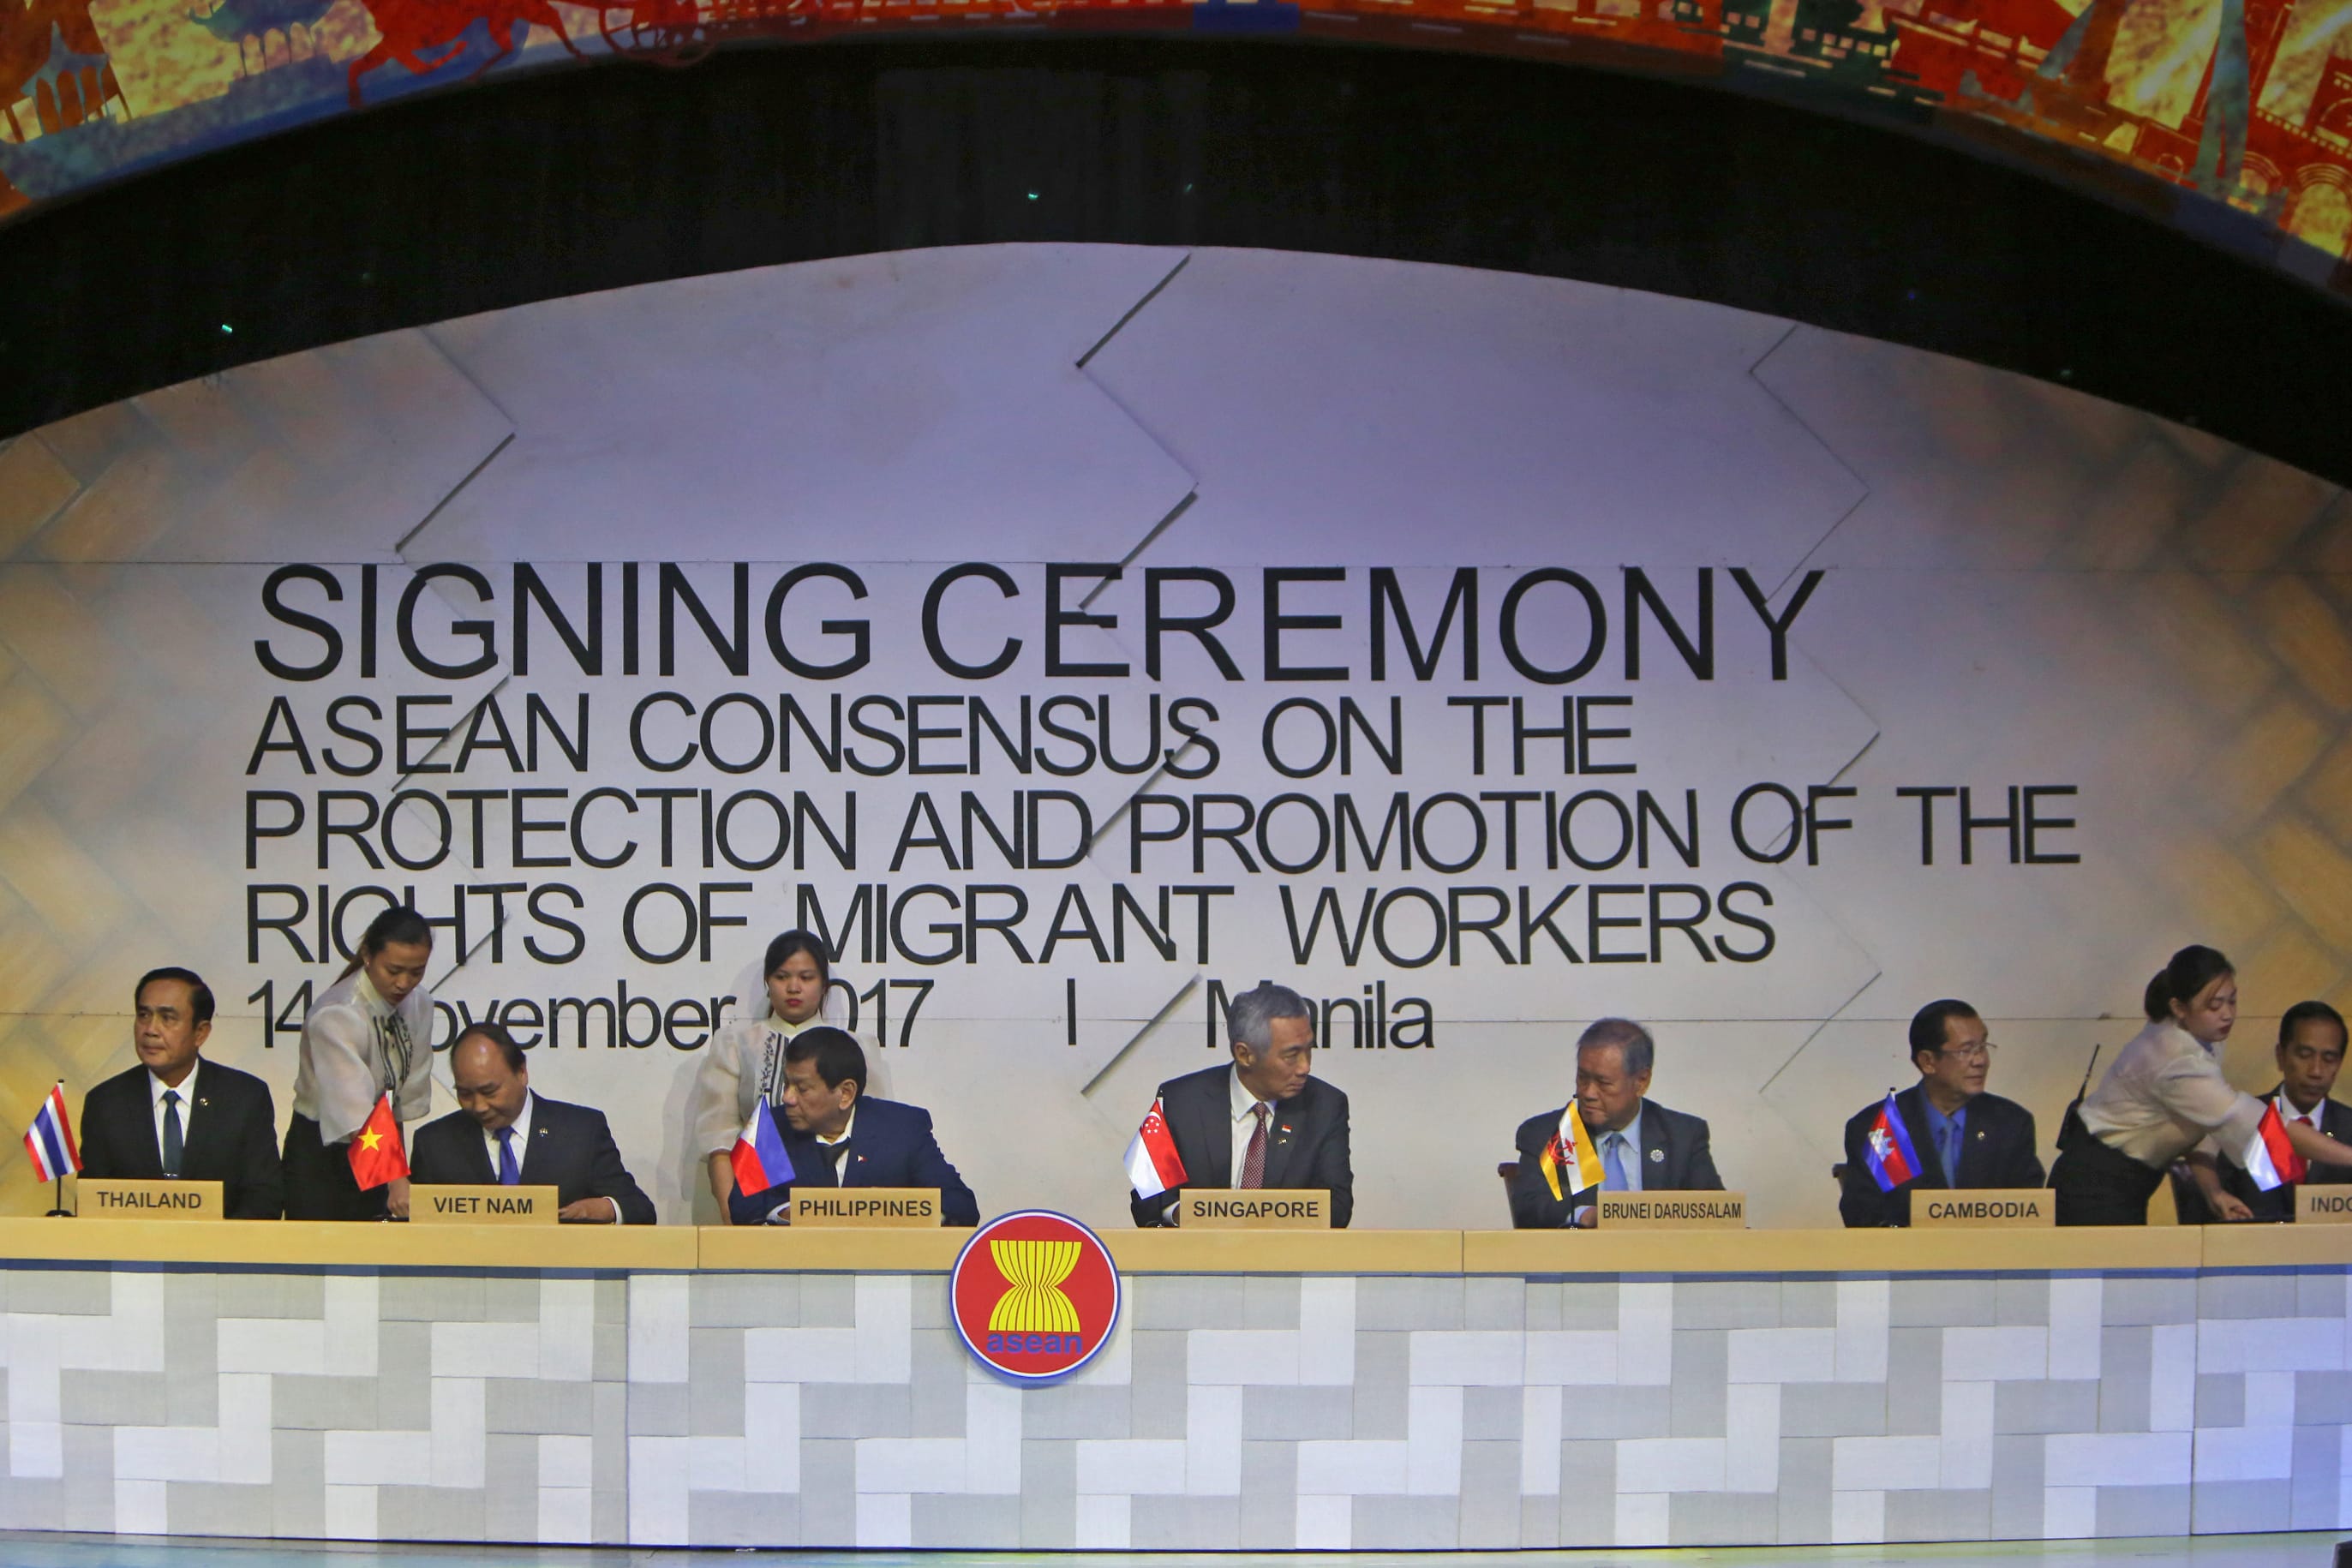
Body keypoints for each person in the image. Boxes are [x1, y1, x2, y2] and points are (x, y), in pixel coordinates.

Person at [2050, 945, 2352, 1224]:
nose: (2228, 1014)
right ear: (2179, 1008)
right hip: (2094, 1183)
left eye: (2232, 1000)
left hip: (2127, 1182)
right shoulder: (2176, 1059)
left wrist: (2213, 1192)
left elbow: (2202, 1126)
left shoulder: (2203, 1037)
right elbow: (2265, 1127)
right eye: (2214, 1005)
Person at [1128, 981, 1354, 1229]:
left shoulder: (1325, 1106)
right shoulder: (1178, 1101)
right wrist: (1192, 1217)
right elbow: (1147, 1194)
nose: (1305, 1067)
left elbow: (1337, 1208)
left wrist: (1249, 1220)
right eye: (1291, 1056)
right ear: (1244, 1054)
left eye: (1309, 1050)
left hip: (1286, 1251)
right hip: (1197, 1251)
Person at [78, 967, 284, 1219]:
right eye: (144, 1015)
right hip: (133, 1243)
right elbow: (93, 1202)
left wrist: (213, 1240)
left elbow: (264, 1197)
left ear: (200, 1032)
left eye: (167, 1018)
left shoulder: (244, 1098)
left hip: (221, 1243)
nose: (150, 1029)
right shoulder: (106, 1103)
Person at [727, 1026, 978, 1226]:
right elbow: (743, 1207)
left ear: (845, 1094)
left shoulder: (903, 1129)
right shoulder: (770, 1127)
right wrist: (795, 1213)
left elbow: (961, 1206)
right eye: (787, 1084)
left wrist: (888, 1212)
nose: (787, 1098)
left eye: (801, 1089)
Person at [410, 1024, 656, 1224]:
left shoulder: (582, 1132)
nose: (479, 1106)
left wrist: (606, 1209)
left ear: (521, 1072)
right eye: (465, 1093)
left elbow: (639, 1209)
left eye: (489, 1091)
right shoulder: (434, 1144)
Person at [283, 907, 436, 1220]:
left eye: (416, 972)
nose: (404, 983)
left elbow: (401, 1099)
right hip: (324, 1153)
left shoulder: (420, 1003)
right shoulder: (337, 1014)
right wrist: (395, 1180)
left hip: (382, 1145)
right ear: (367, 955)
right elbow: (353, 1114)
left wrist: (399, 1171)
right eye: (393, 971)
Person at [1838, 999, 2043, 1227]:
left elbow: (2031, 1214)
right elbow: (1866, 1217)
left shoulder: (2009, 1124)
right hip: (1908, 1249)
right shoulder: (1883, 1128)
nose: (1981, 1061)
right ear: (1928, 1062)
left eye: (1982, 1047)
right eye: (1966, 1050)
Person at [1509, 1017, 1721, 1229]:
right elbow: (1528, 1210)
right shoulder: (1554, 1132)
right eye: (1583, 1079)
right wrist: (1585, 1215)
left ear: (1641, 1081)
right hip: (1579, 1250)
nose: (1589, 1093)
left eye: (1603, 1083)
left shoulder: (1682, 1136)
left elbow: (1717, 1215)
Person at [692, 931, 845, 1212]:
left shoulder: (854, 1048)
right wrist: (735, 1221)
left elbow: (873, 1140)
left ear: (824, 985)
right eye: (782, 977)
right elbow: (720, 1144)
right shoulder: (737, 1043)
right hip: (756, 1201)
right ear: (767, 981)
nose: (793, 987)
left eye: (806, 978)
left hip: (837, 1204)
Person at [2209, 1001, 2352, 1222]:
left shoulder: (2348, 1128)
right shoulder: (2242, 1122)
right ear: (2281, 1056)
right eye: (2304, 1055)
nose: (2316, 1071)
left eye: (2329, 1059)